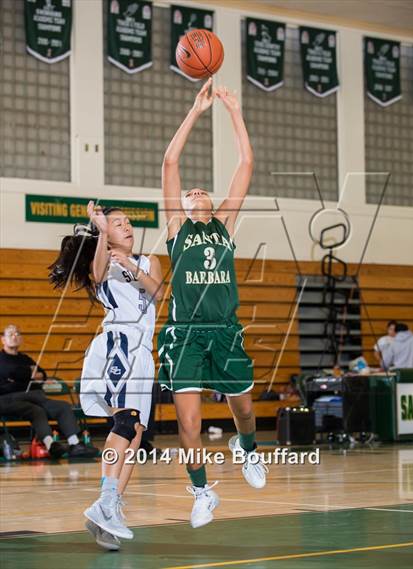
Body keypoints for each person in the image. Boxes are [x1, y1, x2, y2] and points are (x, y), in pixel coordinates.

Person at [158, 78, 268, 530]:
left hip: (225, 330)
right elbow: (170, 161)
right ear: (182, 205)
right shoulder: (175, 229)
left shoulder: (224, 224)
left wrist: (235, 112)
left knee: (243, 410)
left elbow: (246, 161)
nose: (198, 189)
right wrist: (197, 111)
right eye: (191, 191)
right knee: (189, 422)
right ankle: (202, 491)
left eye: (203, 189)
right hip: (184, 335)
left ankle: (247, 448)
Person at [49, 202, 163, 550]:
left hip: (144, 353)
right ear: (107, 234)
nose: (127, 226)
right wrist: (100, 232)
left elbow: (160, 292)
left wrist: (130, 265)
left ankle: (110, 510)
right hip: (119, 345)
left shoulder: (148, 261)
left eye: (128, 222)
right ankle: (105, 500)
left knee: (136, 435)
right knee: (125, 423)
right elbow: (97, 276)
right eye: (118, 223)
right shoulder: (104, 261)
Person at [0, 324, 97, 459]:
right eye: (10, 334)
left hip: (34, 398)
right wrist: (29, 374)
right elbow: (12, 372)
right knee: (36, 406)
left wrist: (20, 378)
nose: (15, 336)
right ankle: (51, 445)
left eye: (17, 333)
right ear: (3, 339)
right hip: (8, 399)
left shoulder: (25, 358)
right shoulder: (1, 359)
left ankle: (74, 444)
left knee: (62, 406)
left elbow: (42, 375)